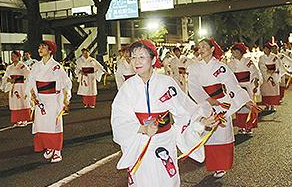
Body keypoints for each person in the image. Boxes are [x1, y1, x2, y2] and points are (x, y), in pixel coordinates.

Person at [111, 39, 218, 186]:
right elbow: (119, 118)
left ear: (153, 59)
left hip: (165, 141)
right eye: (133, 57)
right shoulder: (127, 88)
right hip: (140, 143)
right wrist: (142, 128)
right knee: (143, 181)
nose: (136, 61)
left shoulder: (167, 83)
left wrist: (201, 122)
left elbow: (185, 111)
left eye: (142, 57)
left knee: (166, 180)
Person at [187, 38, 254, 178]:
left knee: (222, 135)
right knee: (209, 135)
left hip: (222, 103)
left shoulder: (221, 67)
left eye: (204, 46)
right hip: (206, 103)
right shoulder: (194, 67)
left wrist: (246, 100)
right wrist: (207, 99)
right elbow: (193, 88)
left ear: (212, 49)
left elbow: (232, 85)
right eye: (200, 47)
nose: (201, 49)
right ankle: (213, 164)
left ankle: (221, 166)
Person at [25, 40, 72, 163]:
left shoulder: (56, 67)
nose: (40, 49)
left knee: (54, 125)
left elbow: (66, 83)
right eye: (39, 47)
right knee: (41, 125)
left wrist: (65, 99)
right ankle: (49, 147)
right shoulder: (36, 66)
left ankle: (57, 151)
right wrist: (32, 95)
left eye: (43, 47)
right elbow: (30, 82)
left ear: (50, 50)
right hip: (40, 99)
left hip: (53, 100)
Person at [227, 43, 260, 134]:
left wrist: (256, 79)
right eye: (233, 51)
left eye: (237, 51)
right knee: (239, 107)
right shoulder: (230, 64)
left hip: (248, 85)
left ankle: (248, 126)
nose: (235, 53)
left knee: (248, 106)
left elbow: (255, 72)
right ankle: (241, 127)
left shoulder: (248, 61)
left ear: (242, 52)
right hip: (237, 87)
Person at [2, 51, 31, 126]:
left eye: (14, 56)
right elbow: (5, 77)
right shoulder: (9, 67)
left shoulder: (22, 66)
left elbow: (29, 75)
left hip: (21, 87)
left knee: (22, 102)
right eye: (11, 56)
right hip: (13, 87)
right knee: (15, 103)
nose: (12, 57)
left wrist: (26, 84)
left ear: (18, 57)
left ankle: (24, 119)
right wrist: (9, 80)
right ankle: (17, 120)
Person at [258, 42, 280, 113]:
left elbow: (278, 65)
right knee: (266, 91)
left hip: (274, 75)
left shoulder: (274, 57)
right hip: (266, 75)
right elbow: (261, 65)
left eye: (268, 49)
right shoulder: (261, 57)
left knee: (273, 91)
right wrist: (267, 72)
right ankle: (267, 105)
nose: (266, 50)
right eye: (265, 49)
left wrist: (274, 71)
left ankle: (272, 106)